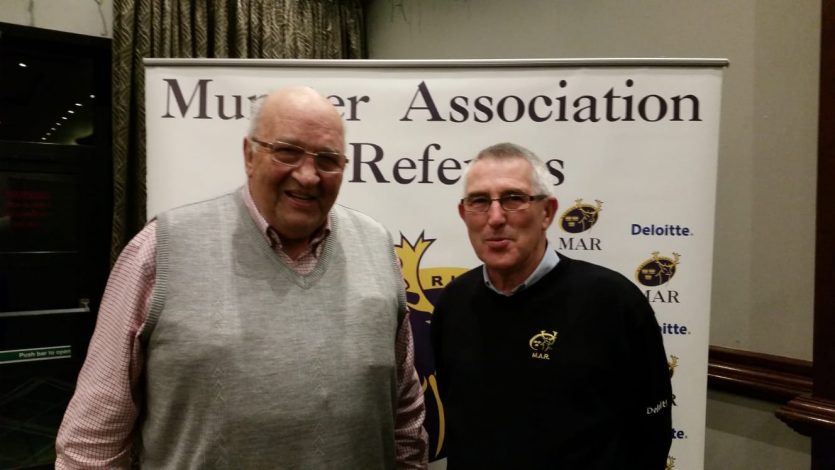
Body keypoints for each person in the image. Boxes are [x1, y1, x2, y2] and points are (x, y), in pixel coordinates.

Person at [55, 86, 428, 469]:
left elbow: (405, 415)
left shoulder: (378, 248)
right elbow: (92, 443)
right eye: (287, 151)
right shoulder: (159, 251)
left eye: (328, 160)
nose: (308, 175)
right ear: (249, 155)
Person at [431, 142, 672, 469]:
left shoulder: (614, 301)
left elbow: (651, 432)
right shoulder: (452, 303)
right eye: (479, 201)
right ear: (464, 214)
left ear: (547, 212)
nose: (496, 217)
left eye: (514, 198)